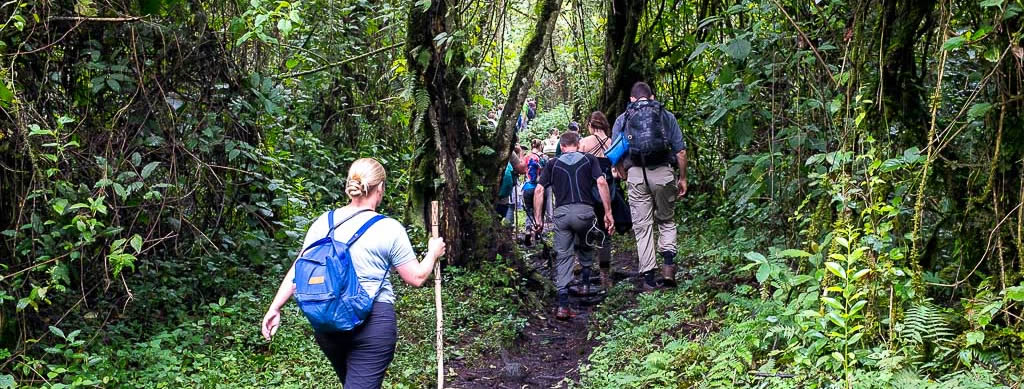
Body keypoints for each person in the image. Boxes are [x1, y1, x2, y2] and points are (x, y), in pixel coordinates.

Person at [261, 158, 447, 388]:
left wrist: (275, 307)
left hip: (327, 322)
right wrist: (432, 253)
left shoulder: (323, 223)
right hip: (372, 325)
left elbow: (299, 269)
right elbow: (416, 277)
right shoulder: (389, 228)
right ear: (379, 188)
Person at [611, 81, 688, 291]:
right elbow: (680, 151)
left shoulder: (623, 117)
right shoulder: (665, 115)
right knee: (666, 219)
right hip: (663, 172)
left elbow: (614, 151)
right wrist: (682, 177)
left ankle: (648, 278)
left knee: (643, 226)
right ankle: (669, 266)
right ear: (652, 97)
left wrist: (622, 171)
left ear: (631, 99)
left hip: (636, 173)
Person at [533, 132, 613, 320]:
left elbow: (539, 189)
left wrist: (538, 219)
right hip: (585, 212)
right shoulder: (589, 160)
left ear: (561, 146)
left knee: (563, 256)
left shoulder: (552, 164)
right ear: (578, 144)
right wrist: (608, 212)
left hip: (561, 215)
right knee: (586, 245)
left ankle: (563, 305)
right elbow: (601, 182)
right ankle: (585, 285)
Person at [578, 111, 616, 292]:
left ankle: (583, 268)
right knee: (606, 232)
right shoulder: (611, 143)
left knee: (584, 229)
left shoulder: (584, 143)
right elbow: (617, 170)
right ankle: (604, 276)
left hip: (588, 192)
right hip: (608, 192)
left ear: (591, 125)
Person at [521, 139, 547, 245]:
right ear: (540, 146)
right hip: (539, 188)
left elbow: (522, 170)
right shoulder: (544, 158)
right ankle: (538, 233)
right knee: (539, 211)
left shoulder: (526, 157)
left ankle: (528, 230)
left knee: (529, 210)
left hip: (527, 187)